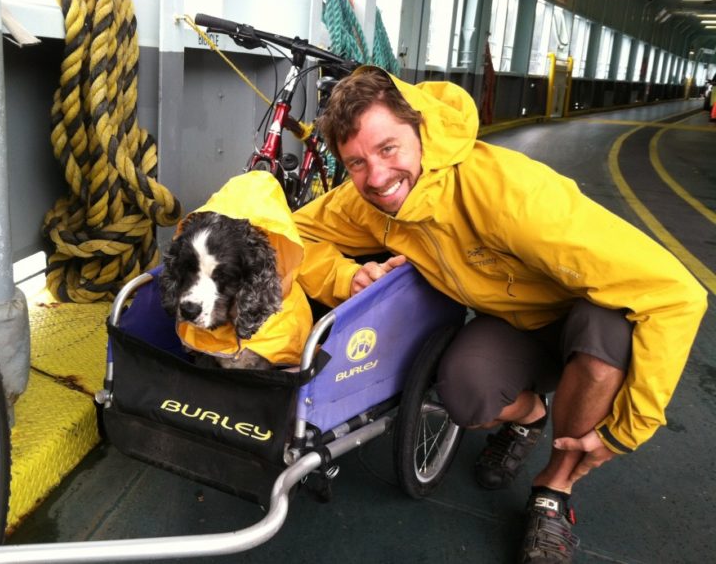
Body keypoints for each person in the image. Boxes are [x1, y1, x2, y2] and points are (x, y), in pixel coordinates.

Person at [292, 66, 707, 563]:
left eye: (388, 149)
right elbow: (295, 234)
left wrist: (629, 428)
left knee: (601, 348)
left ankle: (554, 490)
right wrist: (342, 278)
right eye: (355, 163)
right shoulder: (372, 204)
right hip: (514, 321)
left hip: (588, 314)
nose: (376, 178)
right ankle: (532, 415)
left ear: (421, 130)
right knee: (465, 394)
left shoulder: (514, 197)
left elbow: (676, 293)